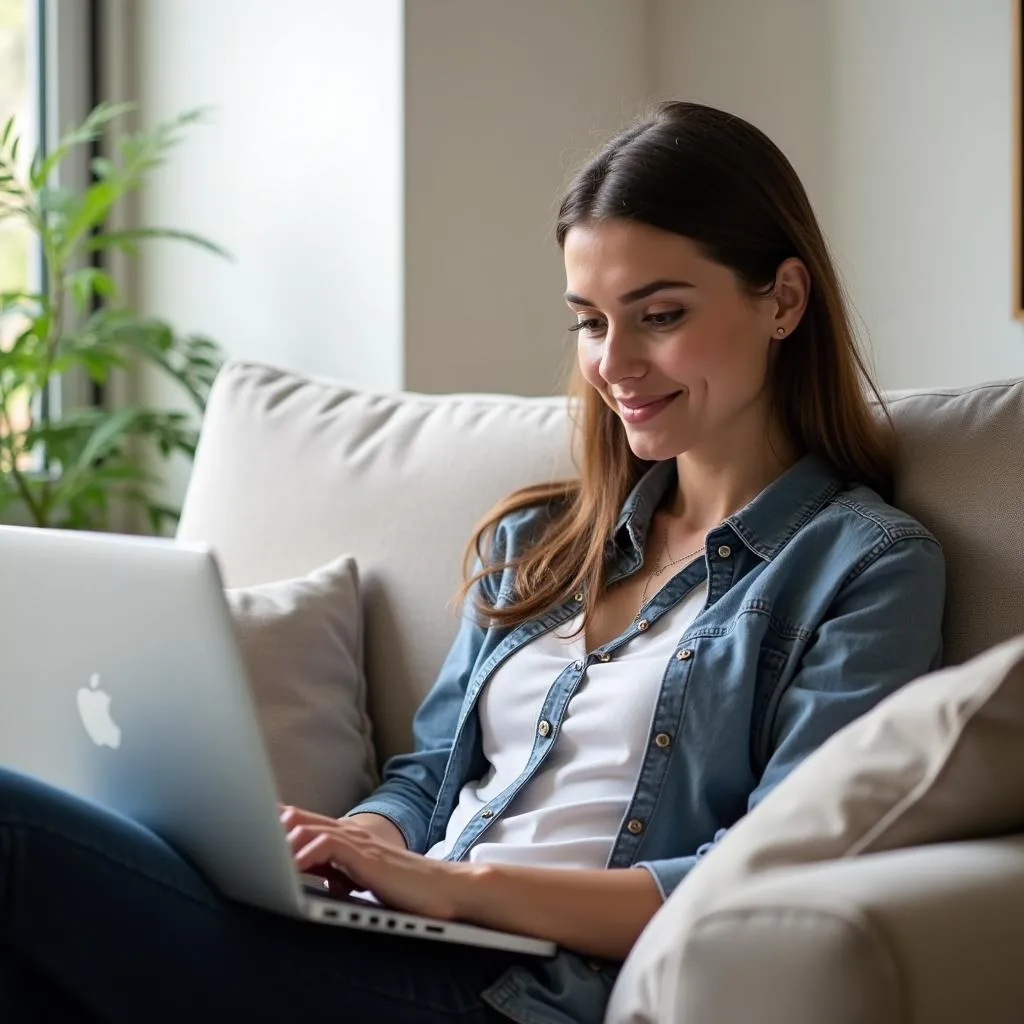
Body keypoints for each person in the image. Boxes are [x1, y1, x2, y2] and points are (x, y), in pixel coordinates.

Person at [0, 101, 944, 1024]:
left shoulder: (866, 567)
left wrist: (457, 890)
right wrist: (356, 844)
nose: (613, 363)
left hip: (519, 990)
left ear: (782, 298)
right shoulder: (534, 544)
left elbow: (763, 875)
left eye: (659, 314)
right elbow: (426, 779)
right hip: (396, 940)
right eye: (589, 321)